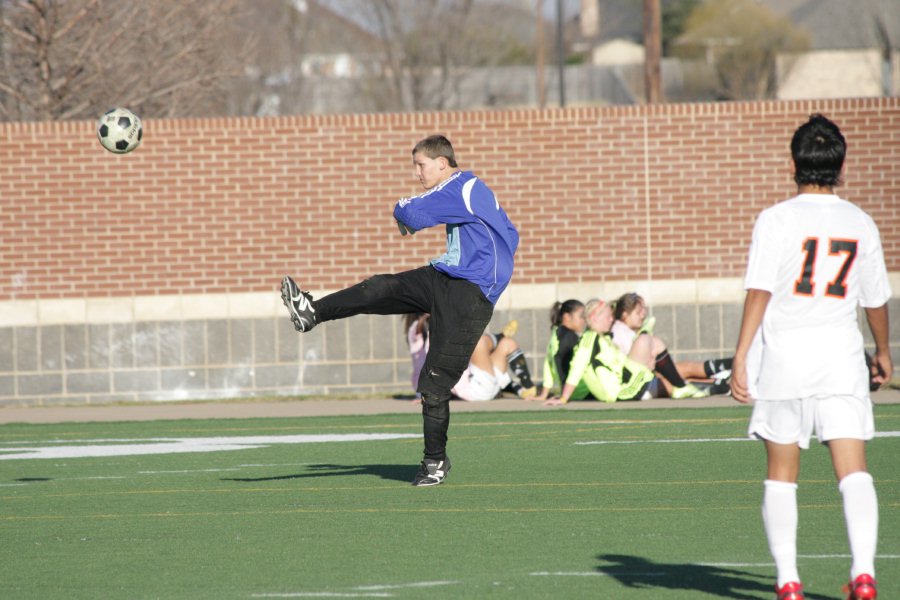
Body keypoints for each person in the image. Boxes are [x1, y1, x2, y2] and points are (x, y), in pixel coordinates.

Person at [281, 134, 519, 487]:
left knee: (435, 385)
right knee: (380, 286)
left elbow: (409, 210)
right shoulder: (467, 192)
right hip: (445, 278)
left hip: (469, 297)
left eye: (420, 165)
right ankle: (311, 311)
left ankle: (435, 462)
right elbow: (511, 235)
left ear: (443, 162)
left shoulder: (462, 186)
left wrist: (403, 211)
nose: (417, 172)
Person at [730, 114, 892, 600]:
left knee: (782, 476)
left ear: (794, 163)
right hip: (841, 357)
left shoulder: (776, 219)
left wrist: (741, 357)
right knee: (854, 470)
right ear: (840, 167)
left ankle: (788, 582)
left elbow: (758, 291)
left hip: (785, 359)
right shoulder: (860, 222)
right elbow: (874, 298)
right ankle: (863, 574)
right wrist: (883, 350)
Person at [611, 292, 731, 396]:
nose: (643, 315)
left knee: (680, 372)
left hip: (643, 381)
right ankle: (728, 368)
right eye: (638, 312)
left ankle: (722, 378)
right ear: (624, 314)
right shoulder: (619, 332)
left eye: (643, 310)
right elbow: (628, 366)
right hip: (635, 387)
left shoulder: (626, 330)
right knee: (682, 370)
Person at [543, 299, 657, 405]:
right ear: (595, 318)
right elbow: (577, 367)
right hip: (623, 392)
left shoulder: (602, 338)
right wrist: (564, 398)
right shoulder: (588, 340)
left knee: (656, 375)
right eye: (608, 316)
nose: (611, 319)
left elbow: (621, 362)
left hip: (629, 385)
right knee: (651, 344)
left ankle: (674, 387)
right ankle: (675, 388)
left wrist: (645, 368)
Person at [452, 329, 537, 401]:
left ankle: (528, 387)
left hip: (489, 383)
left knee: (508, 343)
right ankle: (500, 336)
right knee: (478, 343)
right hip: (475, 389)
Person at [534, 299, 589, 402]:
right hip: (581, 392)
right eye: (581, 317)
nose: (584, 321)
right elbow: (578, 366)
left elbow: (548, 364)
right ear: (567, 317)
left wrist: (544, 394)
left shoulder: (556, 335)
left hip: (569, 392)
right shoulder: (568, 338)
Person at [404, 312, 430, 402]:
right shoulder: (415, 327)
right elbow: (418, 329)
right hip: (420, 371)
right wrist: (425, 317)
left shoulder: (414, 329)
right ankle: (421, 397)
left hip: (420, 371)